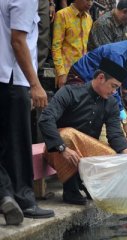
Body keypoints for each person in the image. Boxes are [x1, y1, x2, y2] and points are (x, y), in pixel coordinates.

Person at [38, 58, 127, 205]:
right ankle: (71, 190)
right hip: (58, 149)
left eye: (116, 88)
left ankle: (88, 185)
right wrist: (62, 148)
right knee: (67, 135)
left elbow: (114, 134)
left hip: (86, 153)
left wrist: (126, 151)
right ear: (100, 78)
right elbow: (45, 119)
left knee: (116, 158)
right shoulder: (69, 92)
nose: (114, 92)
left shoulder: (111, 102)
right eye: (113, 86)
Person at [0, 0, 54, 225]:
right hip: (14, 77)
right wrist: (35, 84)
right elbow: (19, 41)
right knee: (19, 142)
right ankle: (23, 199)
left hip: (7, 75)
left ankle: (6, 194)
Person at [66, 24, 127, 141]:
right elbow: (112, 90)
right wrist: (124, 118)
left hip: (97, 85)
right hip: (80, 79)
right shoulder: (117, 54)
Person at [52, 0, 93, 88]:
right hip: (67, 72)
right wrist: (61, 73)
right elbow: (56, 46)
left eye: (92, 0)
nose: (90, 3)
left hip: (84, 73)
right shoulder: (62, 14)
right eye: (87, 0)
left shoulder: (89, 18)